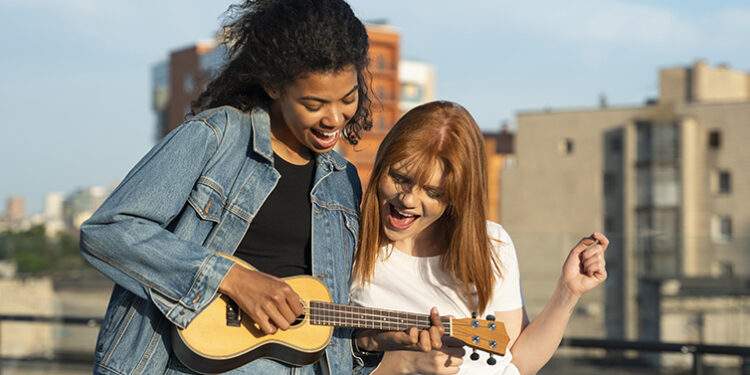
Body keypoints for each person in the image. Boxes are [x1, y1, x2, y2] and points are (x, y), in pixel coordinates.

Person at [80, 1, 439, 374]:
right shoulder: (216, 138)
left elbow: (320, 326)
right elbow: (107, 231)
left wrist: (374, 341)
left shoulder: (342, 180)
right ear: (273, 85)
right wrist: (232, 278)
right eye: (315, 104)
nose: (335, 118)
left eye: (348, 99)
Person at [350, 101, 609, 375]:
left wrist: (568, 292)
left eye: (433, 192)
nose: (408, 199)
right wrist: (397, 365)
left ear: (456, 196)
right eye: (400, 177)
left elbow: (518, 363)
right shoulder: (348, 245)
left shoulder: (492, 243)